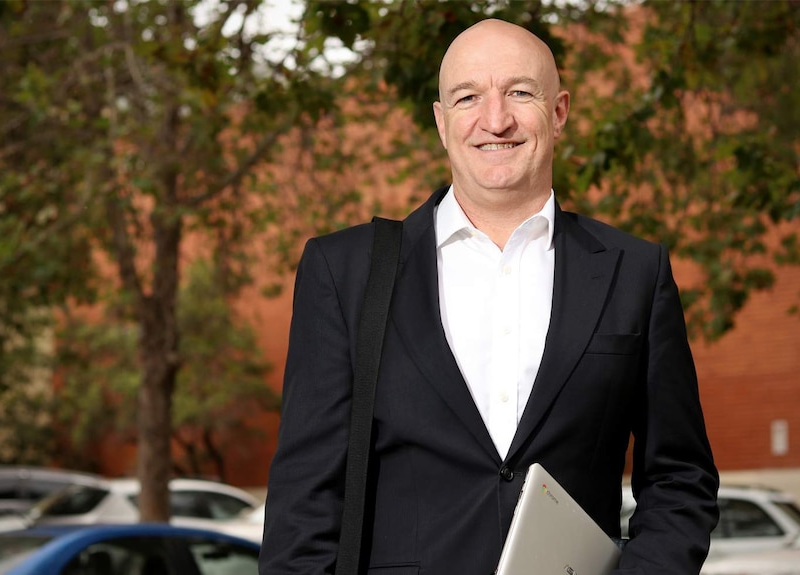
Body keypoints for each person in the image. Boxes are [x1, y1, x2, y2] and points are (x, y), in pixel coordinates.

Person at [260, 18, 719, 575]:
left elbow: (679, 478)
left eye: (520, 92)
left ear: (559, 112)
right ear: (440, 121)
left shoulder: (636, 272)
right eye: (468, 96)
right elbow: (302, 503)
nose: (495, 119)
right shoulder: (345, 271)